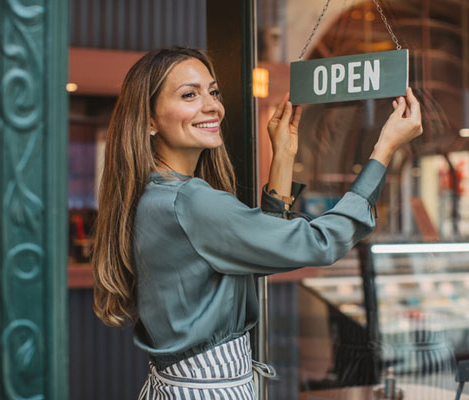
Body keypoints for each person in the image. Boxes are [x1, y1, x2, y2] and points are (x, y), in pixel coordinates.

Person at [91, 47, 423, 399]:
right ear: (149, 121)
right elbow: (320, 243)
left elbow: (261, 247)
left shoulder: (154, 196)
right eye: (190, 94)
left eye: (213, 91)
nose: (212, 105)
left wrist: (282, 157)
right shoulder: (190, 201)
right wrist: (384, 149)